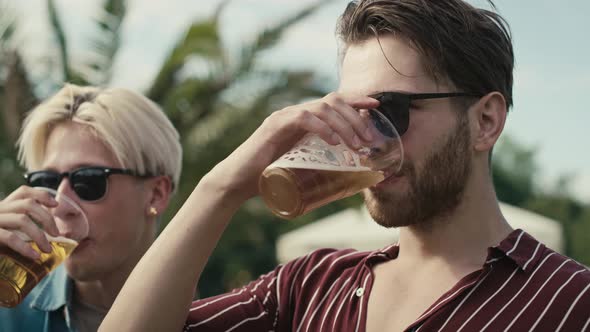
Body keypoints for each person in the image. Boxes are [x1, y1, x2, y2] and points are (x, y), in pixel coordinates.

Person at [101, 0, 590, 331]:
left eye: (391, 111)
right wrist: (221, 187)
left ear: (485, 120)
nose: (367, 141)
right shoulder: (311, 284)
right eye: (353, 114)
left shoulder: (571, 304)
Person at [0, 83, 182, 331]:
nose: (61, 205)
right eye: (47, 182)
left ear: (156, 195)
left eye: (88, 181)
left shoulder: (210, 318)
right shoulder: (8, 311)